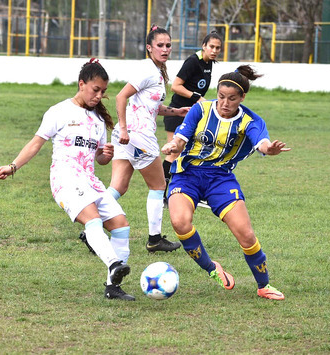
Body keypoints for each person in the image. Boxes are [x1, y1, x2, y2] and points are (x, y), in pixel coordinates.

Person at [0, 59, 135, 301]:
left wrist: (104, 155)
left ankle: (113, 287)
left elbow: (98, 159)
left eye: (103, 91)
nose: (99, 96)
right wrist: (13, 165)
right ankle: (113, 263)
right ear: (81, 84)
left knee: (121, 226)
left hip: (90, 181)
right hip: (65, 180)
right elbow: (36, 143)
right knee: (94, 221)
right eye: (95, 90)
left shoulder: (98, 120)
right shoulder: (59, 111)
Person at [161, 65, 290, 300]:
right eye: (221, 96)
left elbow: (261, 142)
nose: (224, 103)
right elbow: (180, 139)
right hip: (187, 173)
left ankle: (263, 286)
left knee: (246, 234)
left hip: (220, 178)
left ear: (242, 98)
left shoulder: (250, 120)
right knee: (180, 222)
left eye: (232, 98)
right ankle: (212, 268)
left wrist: (269, 150)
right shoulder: (201, 109)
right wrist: (173, 146)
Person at [108, 25, 189, 253]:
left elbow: (151, 107)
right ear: (149, 48)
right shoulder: (147, 70)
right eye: (160, 45)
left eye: (168, 45)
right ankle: (154, 239)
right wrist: (123, 129)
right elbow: (121, 96)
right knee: (158, 185)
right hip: (138, 136)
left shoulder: (157, 71)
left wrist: (177, 111)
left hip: (128, 137)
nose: (165, 49)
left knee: (118, 187)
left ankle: (92, 226)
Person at [162, 31, 223, 207]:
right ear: (204, 46)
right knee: (174, 154)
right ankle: (162, 194)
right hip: (177, 114)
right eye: (211, 46)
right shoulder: (193, 62)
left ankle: (192, 193)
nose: (214, 50)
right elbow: (175, 86)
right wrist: (197, 97)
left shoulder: (208, 63)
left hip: (192, 115)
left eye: (218, 48)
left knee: (192, 153)